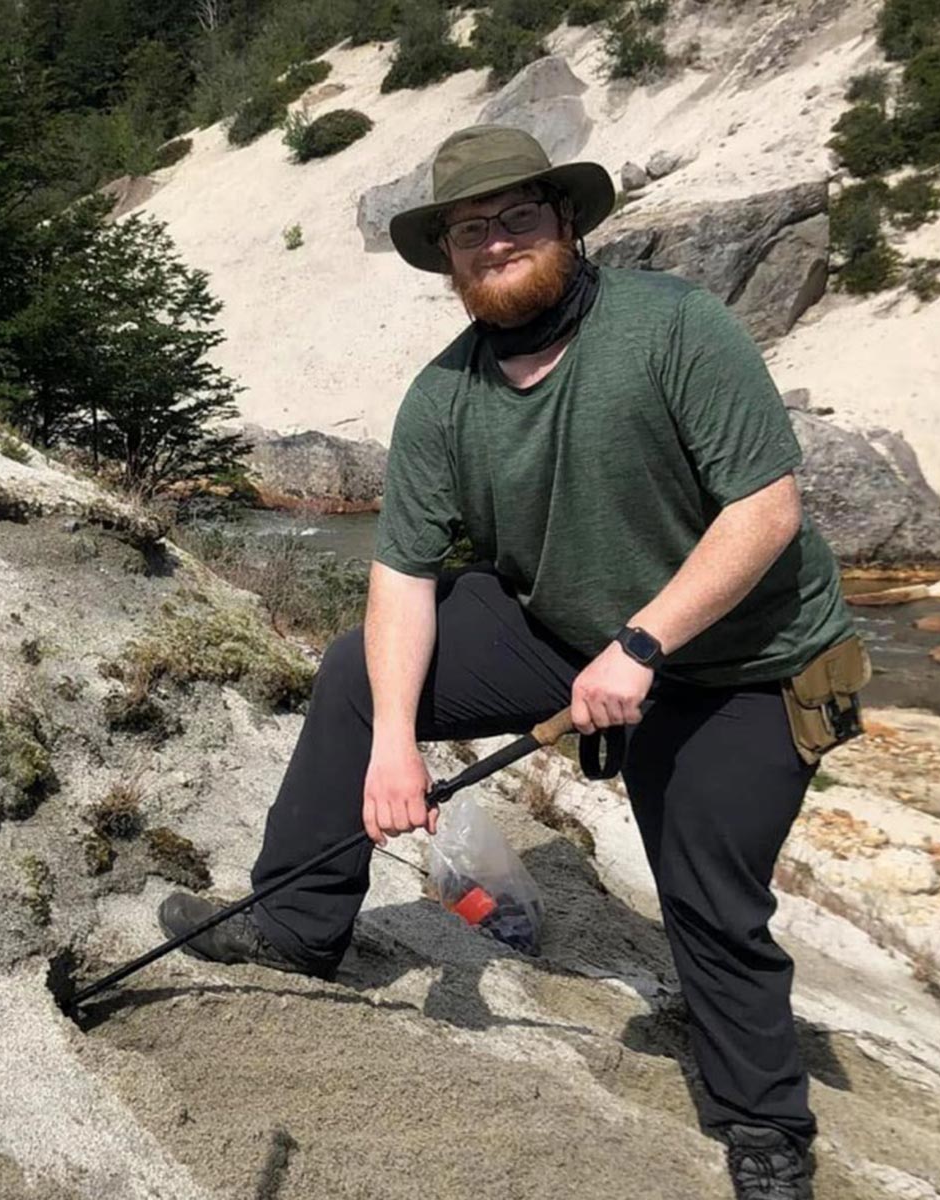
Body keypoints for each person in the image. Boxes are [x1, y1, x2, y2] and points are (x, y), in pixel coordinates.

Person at [156, 124, 864, 1200]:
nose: (495, 243)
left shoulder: (673, 328)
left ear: (566, 222)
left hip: (747, 661)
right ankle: (298, 925)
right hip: (567, 629)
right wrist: (394, 746)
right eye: (469, 230)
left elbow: (765, 510)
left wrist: (644, 644)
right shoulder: (444, 397)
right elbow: (401, 575)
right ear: (446, 256)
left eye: (518, 218)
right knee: (359, 674)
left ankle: (763, 1123)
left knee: (707, 892)